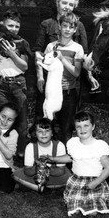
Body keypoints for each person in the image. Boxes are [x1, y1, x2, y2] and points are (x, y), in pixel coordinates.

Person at [47, 111, 109, 216]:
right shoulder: (73, 143)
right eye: (78, 127)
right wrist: (53, 159)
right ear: (75, 128)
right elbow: (71, 158)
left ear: (93, 127)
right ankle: (78, 202)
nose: (82, 129)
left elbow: (108, 168)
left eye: (86, 126)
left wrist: (96, 182)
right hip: (77, 180)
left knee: (91, 213)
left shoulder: (99, 146)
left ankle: (95, 202)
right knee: (75, 211)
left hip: (94, 181)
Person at [0, 9, 32, 161]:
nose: (14, 29)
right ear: (2, 25)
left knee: (22, 122)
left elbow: (24, 66)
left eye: (17, 26)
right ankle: (1, 154)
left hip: (18, 83)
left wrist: (12, 54)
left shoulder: (21, 42)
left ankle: (21, 154)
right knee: (3, 121)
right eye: (10, 26)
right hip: (1, 84)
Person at [34, 0, 88, 119]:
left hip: (69, 82)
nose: (67, 7)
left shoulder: (78, 25)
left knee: (67, 120)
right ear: (57, 3)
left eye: (71, 4)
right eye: (64, 3)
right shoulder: (46, 24)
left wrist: (90, 74)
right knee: (46, 118)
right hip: (50, 82)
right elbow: (38, 52)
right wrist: (40, 76)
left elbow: (84, 53)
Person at [37, 12, 84, 144]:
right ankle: (47, 156)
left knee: (66, 128)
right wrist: (40, 76)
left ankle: (65, 160)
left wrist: (62, 58)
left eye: (71, 27)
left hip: (68, 93)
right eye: (65, 26)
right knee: (48, 125)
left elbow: (76, 73)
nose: (67, 29)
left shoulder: (77, 48)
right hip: (52, 94)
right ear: (59, 27)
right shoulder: (51, 46)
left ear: (75, 29)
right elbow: (42, 62)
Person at [13, 117, 71, 192]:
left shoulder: (59, 145)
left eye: (47, 131)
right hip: (36, 174)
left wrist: (47, 170)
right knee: (16, 175)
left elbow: (61, 170)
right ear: (35, 133)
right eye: (40, 131)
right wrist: (37, 168)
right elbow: (27, 170)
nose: (44, 134)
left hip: (54, 173)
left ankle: (37, 187)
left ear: (52, 133)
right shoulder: (30, 146)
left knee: (68, 177)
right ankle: (46, 189)